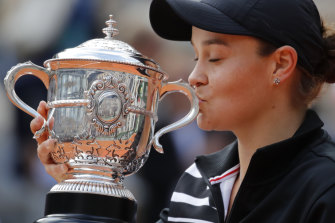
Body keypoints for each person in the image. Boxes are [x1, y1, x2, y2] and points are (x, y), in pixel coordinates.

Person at [30, 0, 335, 222]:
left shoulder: (325, 187)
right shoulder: (198, 181)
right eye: (195, 57)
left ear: (280, 64)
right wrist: (86, 184)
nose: (194, 77)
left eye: (214, 58)